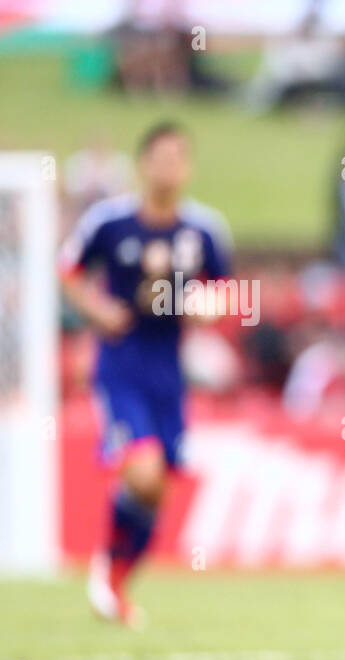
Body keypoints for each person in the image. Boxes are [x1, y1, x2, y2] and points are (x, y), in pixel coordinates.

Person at [59, 122, 233, 628]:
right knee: (145, 468)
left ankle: (114, 578)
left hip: (168, 369)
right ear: (143, 164)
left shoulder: (203, 229)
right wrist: (97, 312)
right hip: (120, 363)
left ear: (188, 167)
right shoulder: (110, 223)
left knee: (157, 488)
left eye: (178, 158)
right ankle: (107, 570)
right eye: (160, 157)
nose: (168, 167)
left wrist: (210, 307)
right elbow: (67, 270)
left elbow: (223, 289)